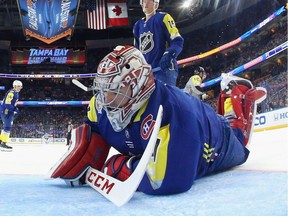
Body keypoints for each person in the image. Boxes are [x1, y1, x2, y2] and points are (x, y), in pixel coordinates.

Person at [49, 45, 266, 196]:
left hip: (213, 138)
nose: (105, 99)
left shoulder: (171, 113)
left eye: (114, 90)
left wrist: (122, 166)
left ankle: (235, 91)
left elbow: (168, 181)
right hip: (189, 120)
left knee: (239, 141)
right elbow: (95, 126)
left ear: (137, 85)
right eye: (103, 89)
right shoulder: (101, 106)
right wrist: (87, 145)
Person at [133, 0, 184, 86]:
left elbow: (177, 40)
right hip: (147, 74)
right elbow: (136, 51)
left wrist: (169, 53)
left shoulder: (164, 17)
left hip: (164, 70)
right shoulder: (137, 25)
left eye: (149, 1)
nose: (145, 3)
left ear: (156, 4)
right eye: (143, 1)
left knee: (166, 98)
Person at [0, 80, 23, 151]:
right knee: (7, 127)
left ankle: (1, 142)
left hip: (8, 112)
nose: (20, 88)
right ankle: (3, 143)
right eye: (18, 86)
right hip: (7, 112)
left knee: (6, 128)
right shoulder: (11, 93)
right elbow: (7, 104)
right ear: (14, 86)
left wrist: (14, 109)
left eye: (20, 86)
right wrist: (14, 109)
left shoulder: (15, 93)